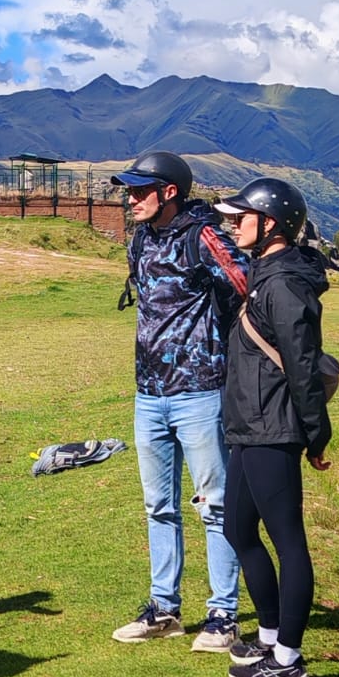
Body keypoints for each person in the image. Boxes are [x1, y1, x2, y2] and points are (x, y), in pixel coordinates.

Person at [109, 150, 249, 650]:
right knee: (158, 505)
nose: (130, 199)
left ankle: (223, 615)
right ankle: (164, 609)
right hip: (149, 394)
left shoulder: (202, 236)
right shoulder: (141, 238)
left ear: (169, 192)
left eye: (139, 191)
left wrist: (223, 352)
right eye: (128, 191)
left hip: (200, 393)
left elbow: (245, 288)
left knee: (214, 505)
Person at [213, 178, 331, 677]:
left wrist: (315, 434)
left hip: (272, 429)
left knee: (289, 542)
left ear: (271, 225)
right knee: (238, 531)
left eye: (242, 217)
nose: (234, 223)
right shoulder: (264, 275)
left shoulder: (282, 284)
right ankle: (267, 636)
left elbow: (302, 366)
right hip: (248, 426)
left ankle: (287, 660)